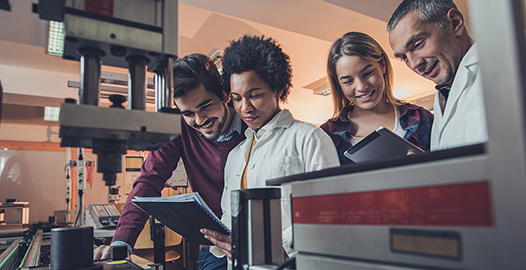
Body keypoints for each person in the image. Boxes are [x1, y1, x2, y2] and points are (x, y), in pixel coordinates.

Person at [93, 53, 248, 270]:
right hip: (213, 246)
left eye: (205, 106)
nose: (200, 120)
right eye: (188, 113)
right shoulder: (178, 128)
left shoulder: (253, 123)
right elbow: (148, 181)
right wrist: (122, 242)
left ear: (225, 95)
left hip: (256, 241)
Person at [200, 35, 340, 264]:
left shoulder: (309, 138)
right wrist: (223, 240)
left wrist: (266, 248)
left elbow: (328, 213)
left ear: (277, 88)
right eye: (236, 98)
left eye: (254, 95)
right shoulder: (235, 155)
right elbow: (228, 216)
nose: (245, 107)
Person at [387, 0, 487, 151]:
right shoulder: (442, 95)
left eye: (418, 44)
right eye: (404, 57)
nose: (414, 65)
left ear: (455, 23)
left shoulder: (509, 62)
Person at [320, 32, 434, 165]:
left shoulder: (420, 119)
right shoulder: (328, 134)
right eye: (348, 81)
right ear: (339, 84)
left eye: (368, 73)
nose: (361, 87)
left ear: (383, 65)